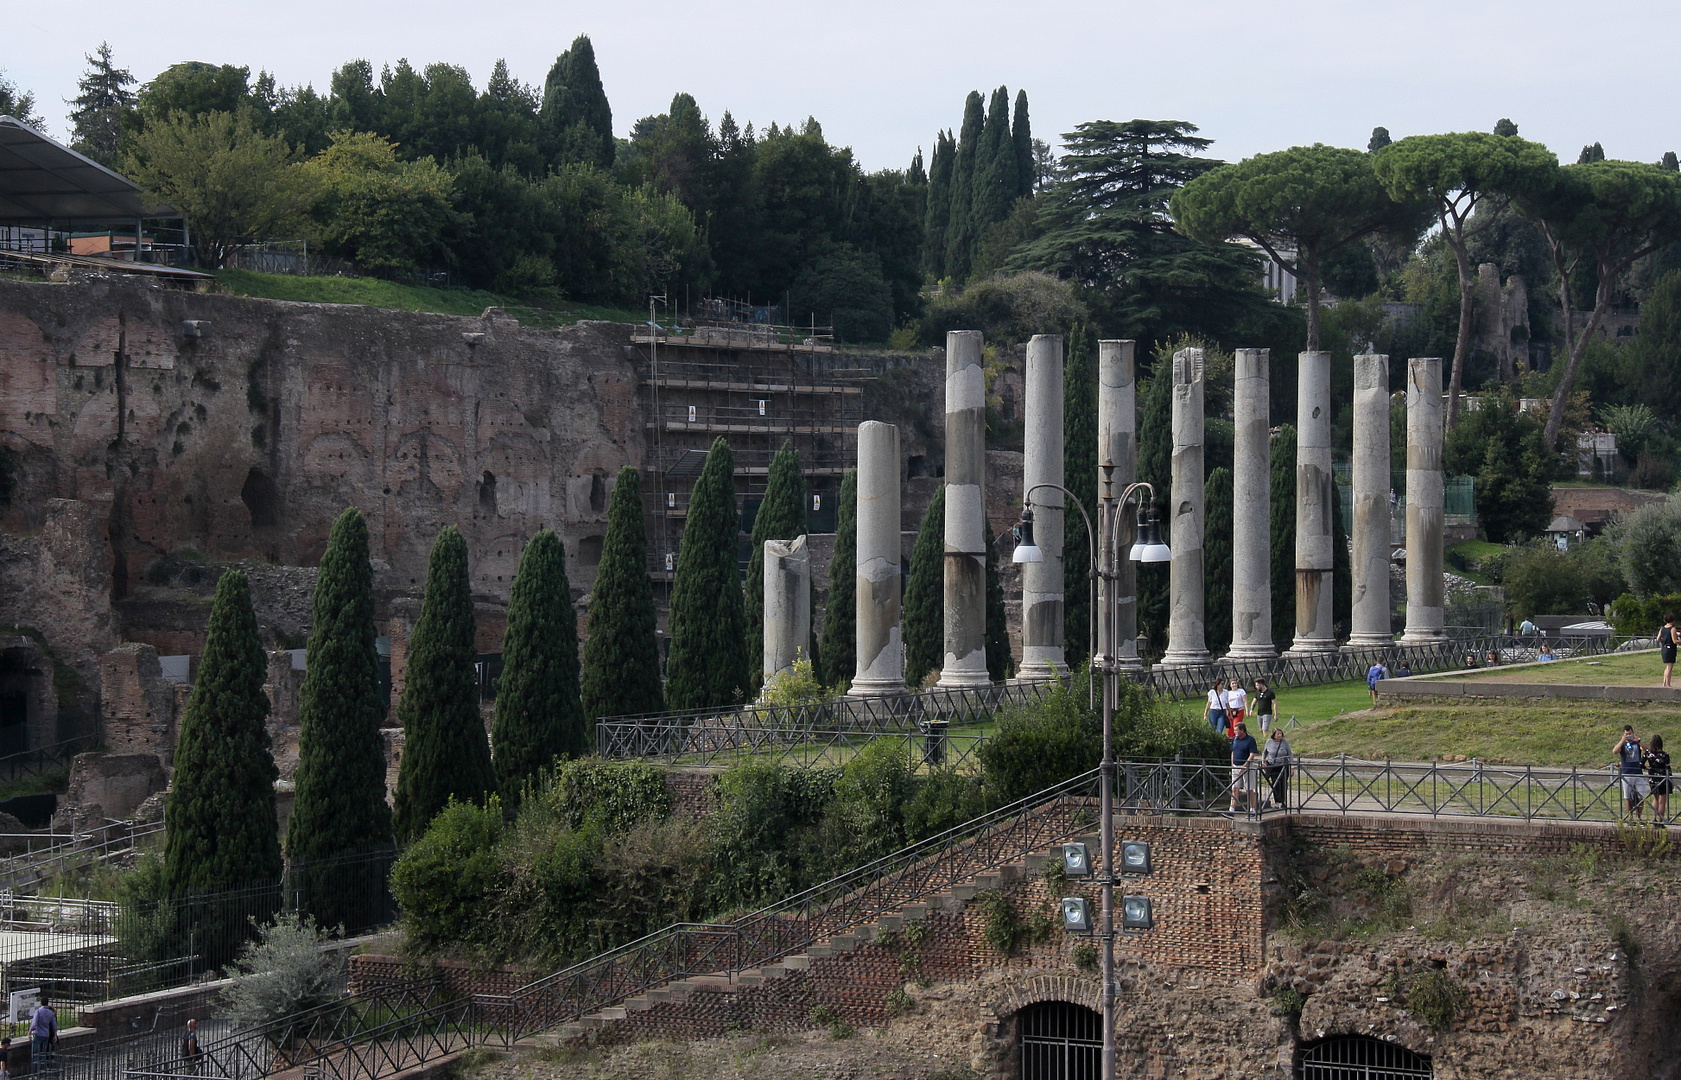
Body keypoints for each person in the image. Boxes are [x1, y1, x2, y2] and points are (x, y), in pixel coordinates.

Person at [1616, 727, 1648, 821]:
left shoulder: (1636, 743)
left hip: (1638, 773)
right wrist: (1622, 740)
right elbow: (1615, 751)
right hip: (1627, 773)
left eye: (1629, 733)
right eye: (1626, 734)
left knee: (1640, 796)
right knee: (1627, 796)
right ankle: (1630, 817)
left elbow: (1647, 750)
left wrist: (1638, 741)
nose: (1628, 735)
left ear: (1633, 733)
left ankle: (1638, 817)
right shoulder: (1623, 744)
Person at [1229, 723, 1259, 816]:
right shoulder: (1234, 740)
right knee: (1235, 788)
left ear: (1242, 730)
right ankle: (1231, 810)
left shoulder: (1250, 740)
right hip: (1236, 766)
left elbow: (1252, 754)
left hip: (1247, 767)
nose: (1235, 732)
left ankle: (1252, 809)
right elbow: (1233, 752)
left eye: (1237, 730)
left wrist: (1245, 765)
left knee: (1249, 789)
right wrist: (1232, 765)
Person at [1262, 727, 1292, 810]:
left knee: (1283, 784)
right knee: (1275, 784)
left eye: (1281, 733)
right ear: (1274, 735)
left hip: (1283, 766)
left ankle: (1283, 802)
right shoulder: (1269, 742)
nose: (1280, 735)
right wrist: (1263, 762)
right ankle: (1276, 803)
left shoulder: (1285, 742)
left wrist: (1291, 766)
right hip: (1273, 765)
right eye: (1278, 734)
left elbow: (1290, 753)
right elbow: (1264, 753)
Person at [1648, 734, 1673, 825]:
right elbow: (1668, 768)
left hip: (1653, 779)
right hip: (1663, 779)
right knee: (1662, 801)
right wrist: (1671, 780)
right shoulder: (1665, 754)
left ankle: (1654, 818)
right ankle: (1661, 820)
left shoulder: (1648, 753)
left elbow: (1641, 764)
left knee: (1656, 799)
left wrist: (1648, 768)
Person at [29, 997, 54, 1070]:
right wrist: (55, 1034)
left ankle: (36, 1072)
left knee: (36, 1054)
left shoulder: (38, 1011)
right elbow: (53, 1024)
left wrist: (30, 1031)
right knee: (43, 1053)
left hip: (38, 1034)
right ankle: (43, 1070)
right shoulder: (50, 1012)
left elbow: (34, 1023)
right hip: (46, 1034)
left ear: (41, 1003)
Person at [1659, 614, 1678, 688]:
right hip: (1670, 649)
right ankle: (1668, 684)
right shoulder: (1672, 629)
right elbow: (1675, 641)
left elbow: (1658, 639)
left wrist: (1664, 642)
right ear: (1673, 620)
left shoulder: (1662, 628)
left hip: (1664, 648)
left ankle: (1664, 683)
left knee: (1667, 666)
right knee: (1670, 667)